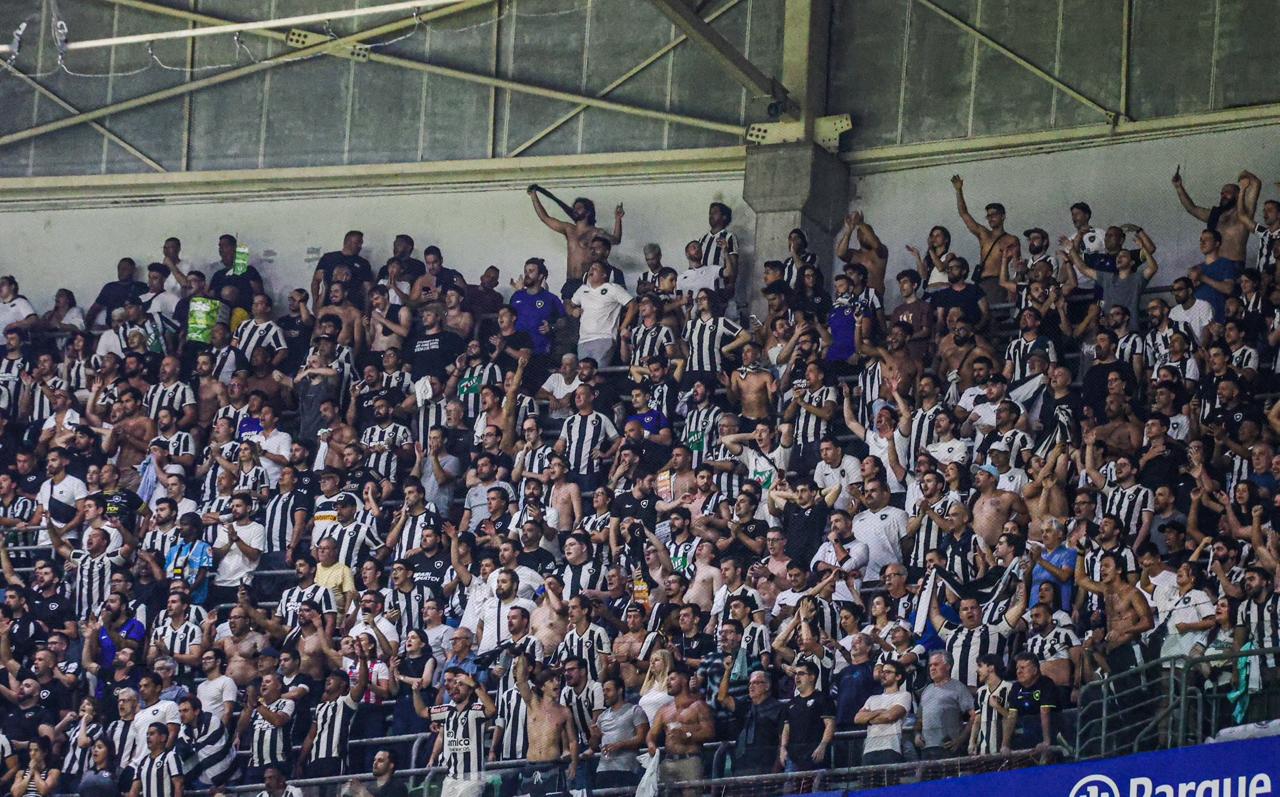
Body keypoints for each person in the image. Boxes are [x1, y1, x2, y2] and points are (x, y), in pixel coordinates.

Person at [429, 668, 497, 797]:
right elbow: (442, 735)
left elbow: (492, 710)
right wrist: (433, 756)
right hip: (451, 774)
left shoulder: (477, 706)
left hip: (471, 775)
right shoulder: (449, 708)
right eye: (446, 681)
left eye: (452, 681)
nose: (448, 685)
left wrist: (474, 684)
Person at [916, 651, 974, 759]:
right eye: (930, 665)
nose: (932, 668)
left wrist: (960, 739)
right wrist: (917, 734)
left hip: (947, 747)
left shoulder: (958, 687)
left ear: (947, 666)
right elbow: (919, 718)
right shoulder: (927, 690)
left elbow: (974, 715)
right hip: (926, 748)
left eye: (936, 664)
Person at [854, 660, 912, 765]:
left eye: (888, 672)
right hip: (868, 750)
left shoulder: (904, 695)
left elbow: (890, 716)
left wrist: (868, 720)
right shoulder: (872, 698)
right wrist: (879, 711)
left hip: (891, 748)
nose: (883, 675)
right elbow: (857, 718)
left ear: (898, 677)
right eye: (882, 672)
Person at [342, 748, 409, 797]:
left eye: (380, 760)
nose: (375, 763)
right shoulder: (369, 786)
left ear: (391, 765)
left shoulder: (398, 787)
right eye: (374, 760)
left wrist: (361, 791)